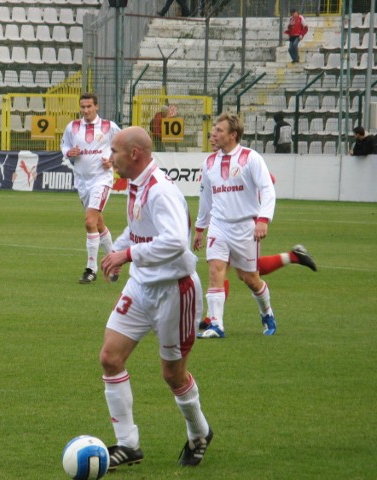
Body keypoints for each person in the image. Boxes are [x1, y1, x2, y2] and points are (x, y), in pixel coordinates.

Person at [99, 126, 212, 470]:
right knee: (109, 358)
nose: (110, 157)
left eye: (115, 151)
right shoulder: (136, 185)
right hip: (141, 286)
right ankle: (128, 444)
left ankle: (199, 432)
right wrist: (118, 251)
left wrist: (128, 254)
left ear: (134, 154)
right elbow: (136, 229)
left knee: (172, 375)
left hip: (174, 291)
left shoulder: (161, 190)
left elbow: (176, 241)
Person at [193, 113, 277, 339]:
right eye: (214, 129)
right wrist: (200, 228)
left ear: (233, 135)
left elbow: (268, 189)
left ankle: (266, 312)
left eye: (219, 130)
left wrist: (263, 219)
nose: (214, 133)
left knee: (249, 279)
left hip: (245, 227)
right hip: (219, 226)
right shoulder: (209, 162)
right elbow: (206, 198)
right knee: (215, 270)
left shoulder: (251, 158)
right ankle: (217, 325)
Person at [61, 93, 121, 284]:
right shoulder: (73, 127)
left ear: (97, 107)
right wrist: (69, 152)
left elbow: (122, 146)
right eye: (83, 107)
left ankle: (91, 269)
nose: (85, 110)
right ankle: (114, 259)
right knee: (98, 223)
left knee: (89, 221)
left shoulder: (109, 126)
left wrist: (112, 161)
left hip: (101, 180)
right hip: (82, 181)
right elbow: (64, 146)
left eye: (89, 107)